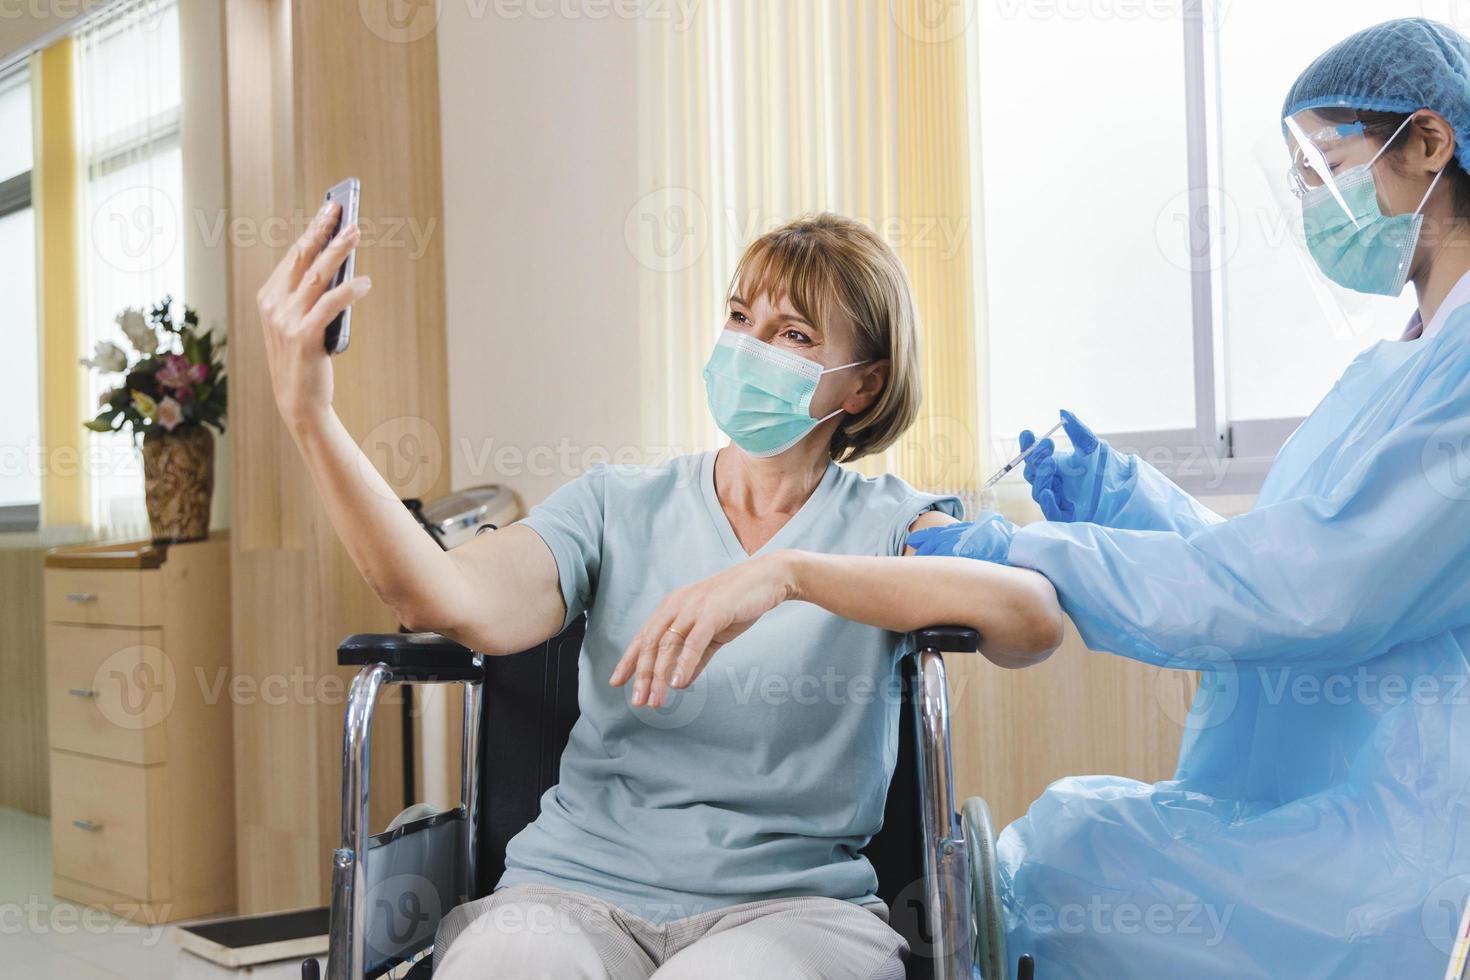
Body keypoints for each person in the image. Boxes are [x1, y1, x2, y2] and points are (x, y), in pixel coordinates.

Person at [256, 209, 1063, 979]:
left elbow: (1033, 620)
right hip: (572, 894)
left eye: (793, 334)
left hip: (788, 913)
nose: (750, 348)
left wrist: (787, 575)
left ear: (862, 386)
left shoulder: (892, 525)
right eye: (741, 316)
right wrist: (311, 417)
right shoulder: (616, 505)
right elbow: (436, 596)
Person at [910, 17, 1470, 978]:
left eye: (1324, 163)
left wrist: (1030, 554)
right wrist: (1121, 497)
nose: (1313, 201)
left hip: (1406, 834)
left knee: (1069, 866)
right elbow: (1279, 553)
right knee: (1065, 864)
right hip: (1319, 786)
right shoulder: (1396, 365)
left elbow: (1315, 588)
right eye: (1299, 178)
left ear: (1428, 142)